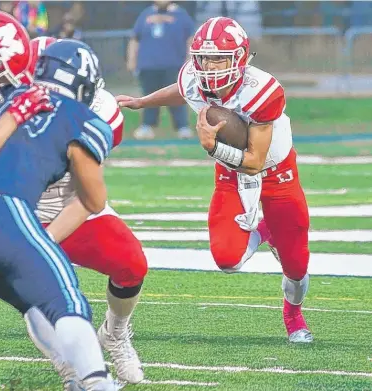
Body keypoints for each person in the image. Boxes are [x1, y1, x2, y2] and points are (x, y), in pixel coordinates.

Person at [117, 16, 313, 343]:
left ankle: (292, 312)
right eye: (203, 58)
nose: (209, 67)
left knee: (296, 265)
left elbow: (254, 162)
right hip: (229, 174)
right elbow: (182, 90)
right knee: (227, 259)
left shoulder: (263, 91)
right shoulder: (193, 78)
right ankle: (267, 232)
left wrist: (212, 148)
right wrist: (143, 101)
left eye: (218, 59)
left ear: (239, 59)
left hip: (277, 171)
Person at [0, 35, 148, 385]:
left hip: (65, 206)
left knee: (131, 263)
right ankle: (72, 368)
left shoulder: (102, 113)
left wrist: (43, 242)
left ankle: (115, 333)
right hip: (6, 208)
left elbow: (86, 197)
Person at [127, 1, 195, 140]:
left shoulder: (181, 15)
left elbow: (190, 39)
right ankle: (147, 126)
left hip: (173, 64)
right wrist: (131, 60)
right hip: (148, 65)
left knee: (176, 96)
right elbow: (135, 39)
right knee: (148, 96)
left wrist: (189, 60)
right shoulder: (146, 14)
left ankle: (182, 127)